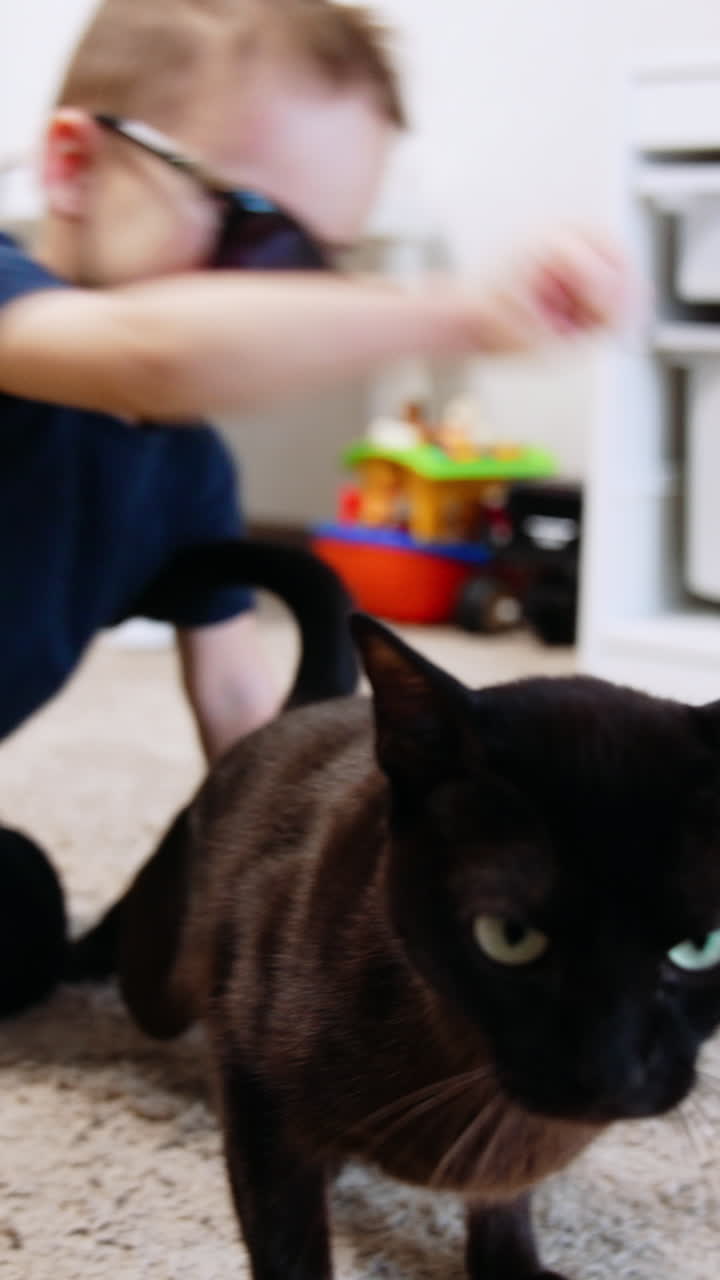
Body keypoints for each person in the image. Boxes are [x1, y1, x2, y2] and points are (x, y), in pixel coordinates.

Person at [0, 0, 631, 1014]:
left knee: (14, 917)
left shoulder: (186, 469)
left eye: (317, 266)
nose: (292, 301)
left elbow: (244, 718)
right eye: (259, 234)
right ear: (75, 166)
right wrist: (467, 312)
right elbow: (146, 350)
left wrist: (344, 913)